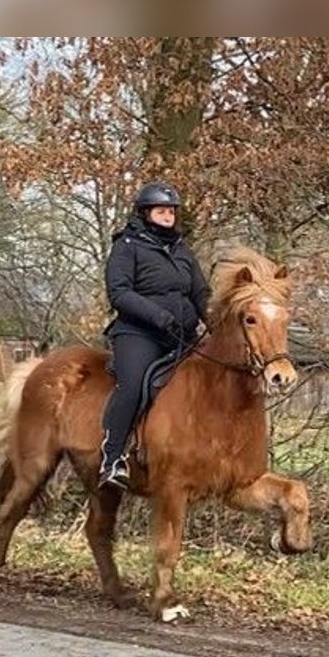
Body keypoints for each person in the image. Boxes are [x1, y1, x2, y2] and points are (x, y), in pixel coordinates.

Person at [98, 181, 210, 489]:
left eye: (171, 211)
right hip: (138, 333)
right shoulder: (127, 247)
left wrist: (217, 325)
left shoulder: (182, 251)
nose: (168, 216)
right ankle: (112, 458)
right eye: (161, 210)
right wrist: (159, 316)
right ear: (145, 213)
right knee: (134, 385)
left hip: (181, 336)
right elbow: (119, 293)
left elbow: (201, 294)